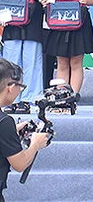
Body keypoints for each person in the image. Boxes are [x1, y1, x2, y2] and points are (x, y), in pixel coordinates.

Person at [1, 0, 49, 114]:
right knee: (10, 64)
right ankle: (10, 99)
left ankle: (28, 99)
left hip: (33, 27)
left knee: (32, 64)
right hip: (11, 27)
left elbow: (47, 3)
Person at [0, 59, 49, 200]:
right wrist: (35, 144)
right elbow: (20, 164)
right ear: (10, 87)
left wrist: (12, 131)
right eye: (20, 86)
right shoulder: (4, 122)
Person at [41, 0, 66, 92]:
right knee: (47, 58)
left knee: (65, 59)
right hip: (48, 22)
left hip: (68, 21)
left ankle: (64, 91)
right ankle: (45, 89)